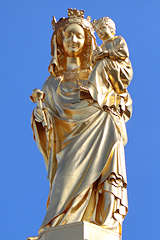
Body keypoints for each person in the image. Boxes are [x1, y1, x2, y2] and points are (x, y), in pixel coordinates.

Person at [31, 9, 133, 238]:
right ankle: (57, 224)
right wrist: (40, 116)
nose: (73, 40)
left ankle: (104, 220)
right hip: (67, 146)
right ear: (60, 41)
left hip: (102, 132)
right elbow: (47, 124)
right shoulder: (52, 85)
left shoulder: (100, 71)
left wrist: (113, 103)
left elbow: (122, 99)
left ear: (87, 41)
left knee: (109, 127)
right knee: (63, 188)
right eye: (68, 35)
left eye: (78, 36)